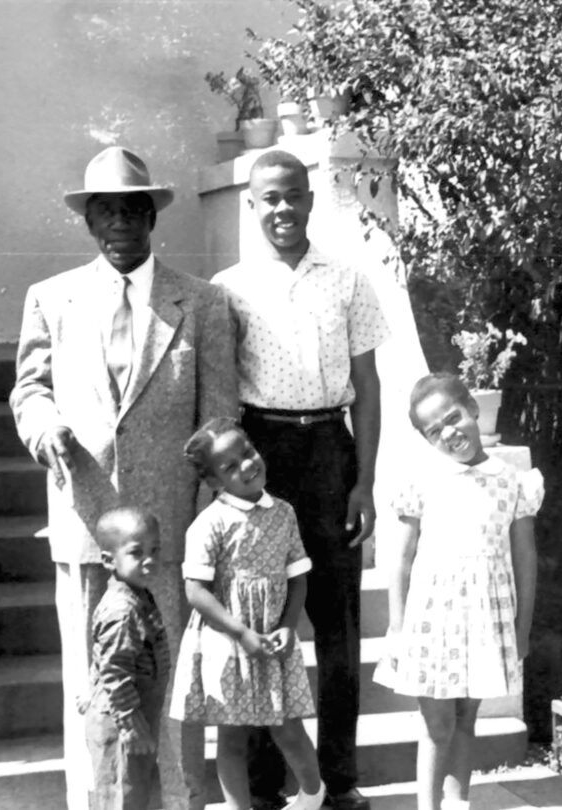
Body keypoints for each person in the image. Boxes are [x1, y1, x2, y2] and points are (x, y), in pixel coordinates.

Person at [10, 145, 238, 810]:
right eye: (105, 212)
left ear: (151, 217)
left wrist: (200, 511)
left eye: (133, 210)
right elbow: (30, 390)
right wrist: (44, 427)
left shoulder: (201, 302)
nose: (120, 224)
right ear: (87, 222)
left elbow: (220, 415)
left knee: (165, 688)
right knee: (93, 687)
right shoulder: (51, 298)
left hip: (170, 527)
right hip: (87, 523)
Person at [211, 149, 389, 810]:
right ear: (252, 206)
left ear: (310, 200)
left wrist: (364, 482)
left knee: (338, 627)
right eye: (269, 200)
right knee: (258, 618)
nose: (282, 209)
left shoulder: (347, 280)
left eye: (293, 196)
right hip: (261, 456)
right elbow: (221, 391)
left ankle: (341, 783)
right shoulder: (228, 288)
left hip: (328, 455)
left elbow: (367, 390)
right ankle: (263, 789)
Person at [373, 373, 541, 810]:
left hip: (486, 618)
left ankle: (457, 803)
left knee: (467, 720)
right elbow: (402, 559)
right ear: (427, 440)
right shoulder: (423, 479)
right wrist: (396, 628)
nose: (449, 433)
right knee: (437, 725)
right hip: (432, 621)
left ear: (472, 408)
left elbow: (525, 560)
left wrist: (521, 630)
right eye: (435, 430)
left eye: (453, 418)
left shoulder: (512, 481)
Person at [171, 417, 327, 810]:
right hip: (228, 639)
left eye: (248, 453)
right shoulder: (209, 524)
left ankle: (312, 794)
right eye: (230, 466)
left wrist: (289, 626)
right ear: (214, 482)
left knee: (288, 726)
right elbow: (196, 591)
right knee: (232, 736)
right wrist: (240, 633)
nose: (246, 466)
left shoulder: (284, 513)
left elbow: (298, 578)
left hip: (275, 638)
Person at [83, 507, 171, 810]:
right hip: (122, 723)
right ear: (109, 560)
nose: (150, 560)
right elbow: (115, 669)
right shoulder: (123, 610)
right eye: (137, 553)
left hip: (135, 713)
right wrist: (130, 724)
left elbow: (106, 657)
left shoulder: (138, 594)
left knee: (138, 794)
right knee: (122, 796)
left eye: (155, 550)